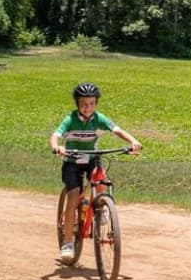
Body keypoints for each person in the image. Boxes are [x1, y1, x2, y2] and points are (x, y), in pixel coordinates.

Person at [49, 82, 142, 264]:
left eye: (92, 103)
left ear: (96, 103)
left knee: (101, 179)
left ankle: (102, 208)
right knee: (74, 196)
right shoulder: (70, 119)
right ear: (77, 103)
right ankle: (68, 241)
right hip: (72, 162)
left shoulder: (99, 118)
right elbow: (56, 135)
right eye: (84, 103)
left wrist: (133, 141)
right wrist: (56, 147)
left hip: (91, 158)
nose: (88, 107)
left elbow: (117, 130)